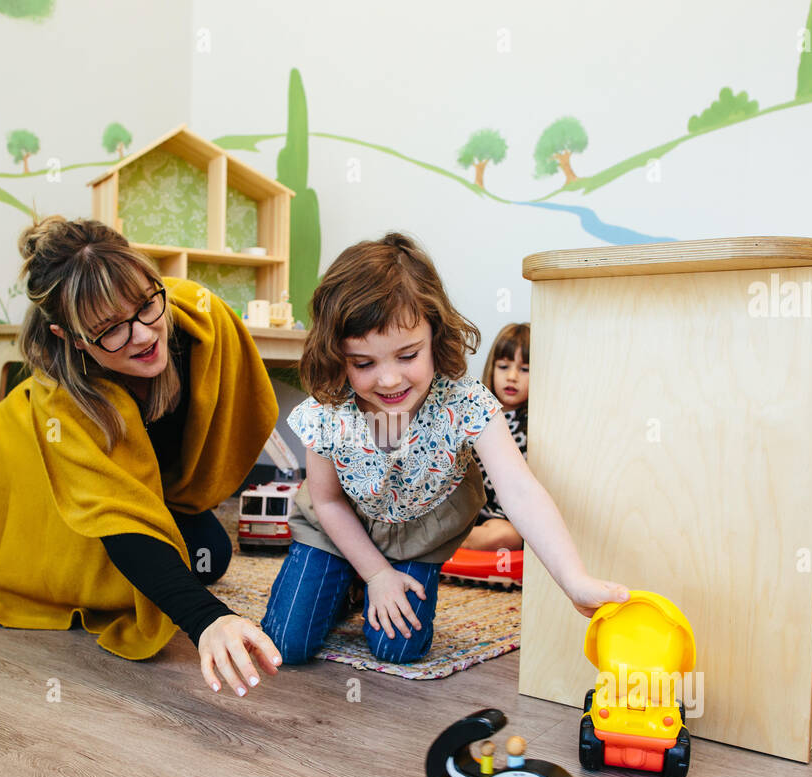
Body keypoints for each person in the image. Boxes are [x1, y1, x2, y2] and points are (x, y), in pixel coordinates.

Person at [0, 216, 282, 696]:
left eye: (145, 305)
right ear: (69, 337)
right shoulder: (63, 400)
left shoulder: (194, 321)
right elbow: (117, 521)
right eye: (110, 329)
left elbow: (236, 408)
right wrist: (208, 620)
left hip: (145, 483)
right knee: (91, 574)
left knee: (207, 555)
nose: (141, 335)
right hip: (33, 452)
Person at [261, 232, 628, 665]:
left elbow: (520, 490)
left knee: (398, 648)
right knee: (287, 642)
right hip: (337, 526)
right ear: (338, 356)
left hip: (417, 535)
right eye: (363, 363)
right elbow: (327, 501)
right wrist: (376, 575)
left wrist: (574, 579)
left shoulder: (465, 400)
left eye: (407, 355)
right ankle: (350, 580)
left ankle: (360, 583)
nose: (390, 380)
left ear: (435, 334)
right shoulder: (329, 408)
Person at [462, 322, 528, 552]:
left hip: (502, 520)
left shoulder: (535, 425)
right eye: (503, 366)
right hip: (467, 513)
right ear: (492, 367)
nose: (512, 377)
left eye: (524, 369)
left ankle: (448, 544)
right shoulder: (477, 412)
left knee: (506, 536)